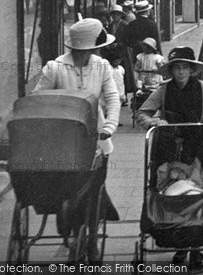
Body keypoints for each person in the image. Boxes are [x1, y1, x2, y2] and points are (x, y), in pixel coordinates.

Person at [33, 17, 120, 258]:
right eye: (97, 46)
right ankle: (72, 231)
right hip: (64, 144)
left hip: (97, 140)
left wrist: (110, 125)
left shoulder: (102, 66)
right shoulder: (55, 68)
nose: (100, 50)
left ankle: (90, 239)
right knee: (70, 191)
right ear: (88, 47)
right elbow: (38, 100)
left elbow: (112, 97)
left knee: (94, 190)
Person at [136, 46, 203, 269]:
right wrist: (155, 122)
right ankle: (179, 244)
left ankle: (194, 248)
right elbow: (142, 113)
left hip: (198, 149)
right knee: (171, 195)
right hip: (169, 150)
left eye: (185, 68)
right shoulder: (164, 91)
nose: (181, 72)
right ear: (172, 71)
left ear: (192, 70)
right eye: (177, 68)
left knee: (197, 194)